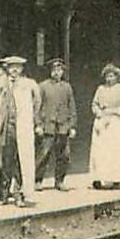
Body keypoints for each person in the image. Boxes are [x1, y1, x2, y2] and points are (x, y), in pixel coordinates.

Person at [0, 55, 41, 207]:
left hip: (22, 128)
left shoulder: (29, 84)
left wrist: (30, 119)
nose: (15, 70)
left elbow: (37, 103)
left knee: (22, 162)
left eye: (18, 67)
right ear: (6, 68)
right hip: (5, 130)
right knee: (5, 162)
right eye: (12, 66)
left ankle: (19, 194)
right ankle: (3, 193)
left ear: (22, 69)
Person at [35, 58, 77, 191]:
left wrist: (72, 126)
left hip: (63, 127)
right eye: (54, 70)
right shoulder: (43, 86)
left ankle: (59, 181)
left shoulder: (67, 87)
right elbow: (36, 107)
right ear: (50, 71)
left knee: (64, 155)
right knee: (43, 154)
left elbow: (72, 108)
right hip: (48, 126)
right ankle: (37, 181)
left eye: (59, 70)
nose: (57, 73)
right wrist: (38, 125)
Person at [89, 63, 120, 189]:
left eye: (112, 76)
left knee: (115, 150)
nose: (109, 79)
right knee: (101, 150)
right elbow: (94, 104)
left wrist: (113, 112)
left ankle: (116, 178)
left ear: (117, 77)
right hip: (102, 120)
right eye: (107, 76)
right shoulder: (100, 89)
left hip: (115, 122)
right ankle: (99, 176)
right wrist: (98, 112)